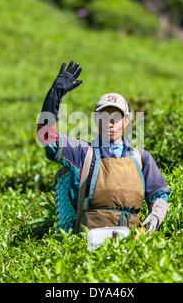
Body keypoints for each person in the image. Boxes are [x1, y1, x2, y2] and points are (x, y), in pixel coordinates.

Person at [36, 61, 170, 234]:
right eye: (104, 116)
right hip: (86, 245)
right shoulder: (83, 152)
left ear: (126, 121)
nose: (110, 122)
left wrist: (149, 226)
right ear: (96, 119)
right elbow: (46, 137)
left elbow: (159, 197)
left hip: (132, 244)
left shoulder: (141, 158)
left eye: (116, 116)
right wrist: (55, 95)